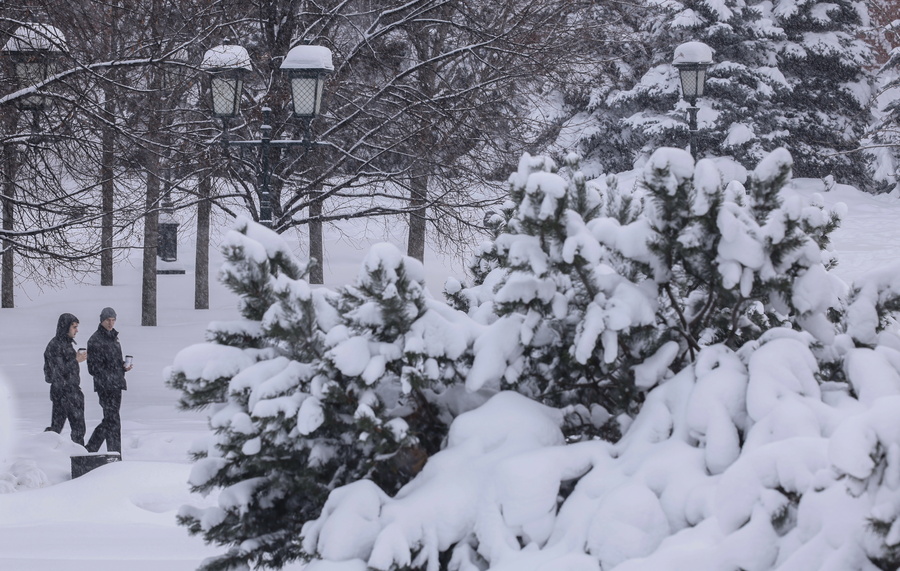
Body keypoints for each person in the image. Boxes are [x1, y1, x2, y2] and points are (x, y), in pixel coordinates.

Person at [86, 307, 132, 454]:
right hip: (105, 386)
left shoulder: (114, 338)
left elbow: (114, 362)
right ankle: (106, 451)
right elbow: (93, 368)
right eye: (108, 320)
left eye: (113, 320)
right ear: (102, 320)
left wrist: (123, 367)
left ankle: (107, 451)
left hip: (116, 383)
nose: (111, 323)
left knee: (112, 419)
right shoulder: (95, 340)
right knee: (112, 419)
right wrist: (110, 375)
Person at [43, 313, 87, 446]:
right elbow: (54, 373)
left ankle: (79, 459)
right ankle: (41, 450)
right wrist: (75, 360)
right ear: (65, 327)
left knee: (76, 430)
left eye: (77, 327)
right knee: (57, 430)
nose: (77, 330)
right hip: (62, 392)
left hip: (72, 391)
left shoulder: (67, 344)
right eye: (74, 327)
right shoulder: (55, 345)